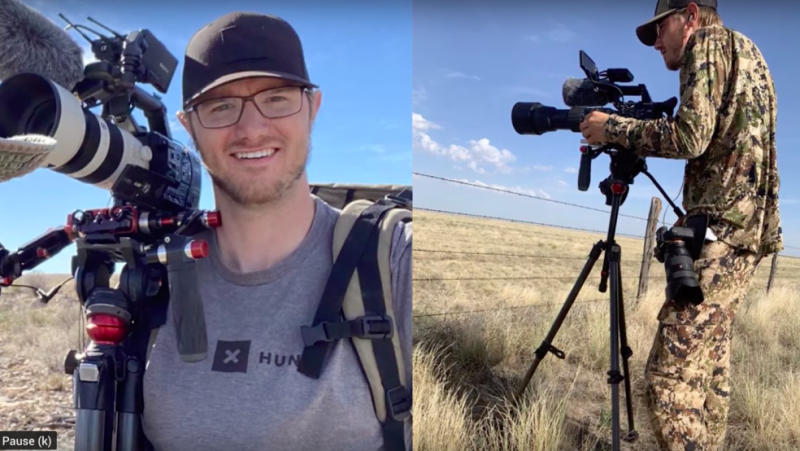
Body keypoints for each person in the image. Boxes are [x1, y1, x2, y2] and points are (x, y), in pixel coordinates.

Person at [139, 11, 412, 451]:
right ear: (189, 127)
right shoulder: (154, 275)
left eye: (277, 97)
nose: (251, 129)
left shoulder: (393, 262)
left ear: (313, 108)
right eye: (221, 106)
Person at [578, 1, 782, 450]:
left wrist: (614, 127)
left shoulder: (705, 46)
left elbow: (691, 136)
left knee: (668, 379)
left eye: (659, 28)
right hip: (745, 234)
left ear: (690, 16)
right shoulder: (751, 55)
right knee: (711, 373)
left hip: (722, 234)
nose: (655, 43)